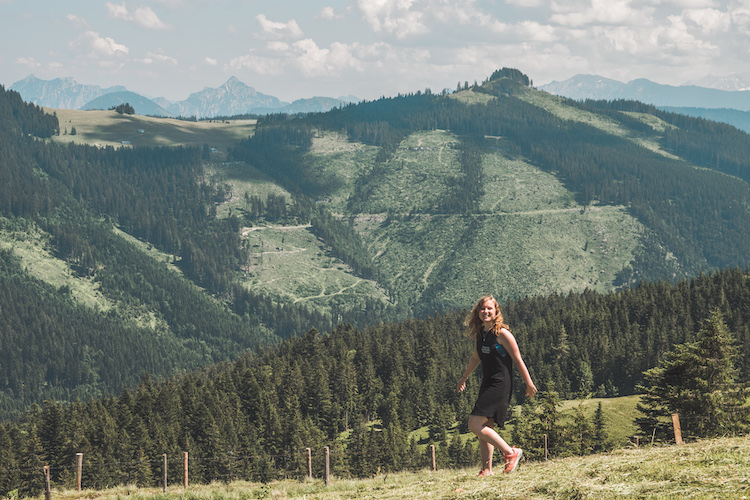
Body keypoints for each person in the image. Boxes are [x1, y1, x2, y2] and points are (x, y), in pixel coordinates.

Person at [457, 295, 537, 475]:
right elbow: (475, 358)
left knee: (474, 424)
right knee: (487, 427)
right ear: (478, 312)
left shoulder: (502, 334)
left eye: (489, 309)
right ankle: (486, 470)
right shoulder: (481, 335)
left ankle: (510, 452)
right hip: (487, 383)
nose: (486, 311)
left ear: (496, 312)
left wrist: (528, 382)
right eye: (483, 308)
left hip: (500, 385)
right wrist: (464, 377)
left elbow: (518, 360)